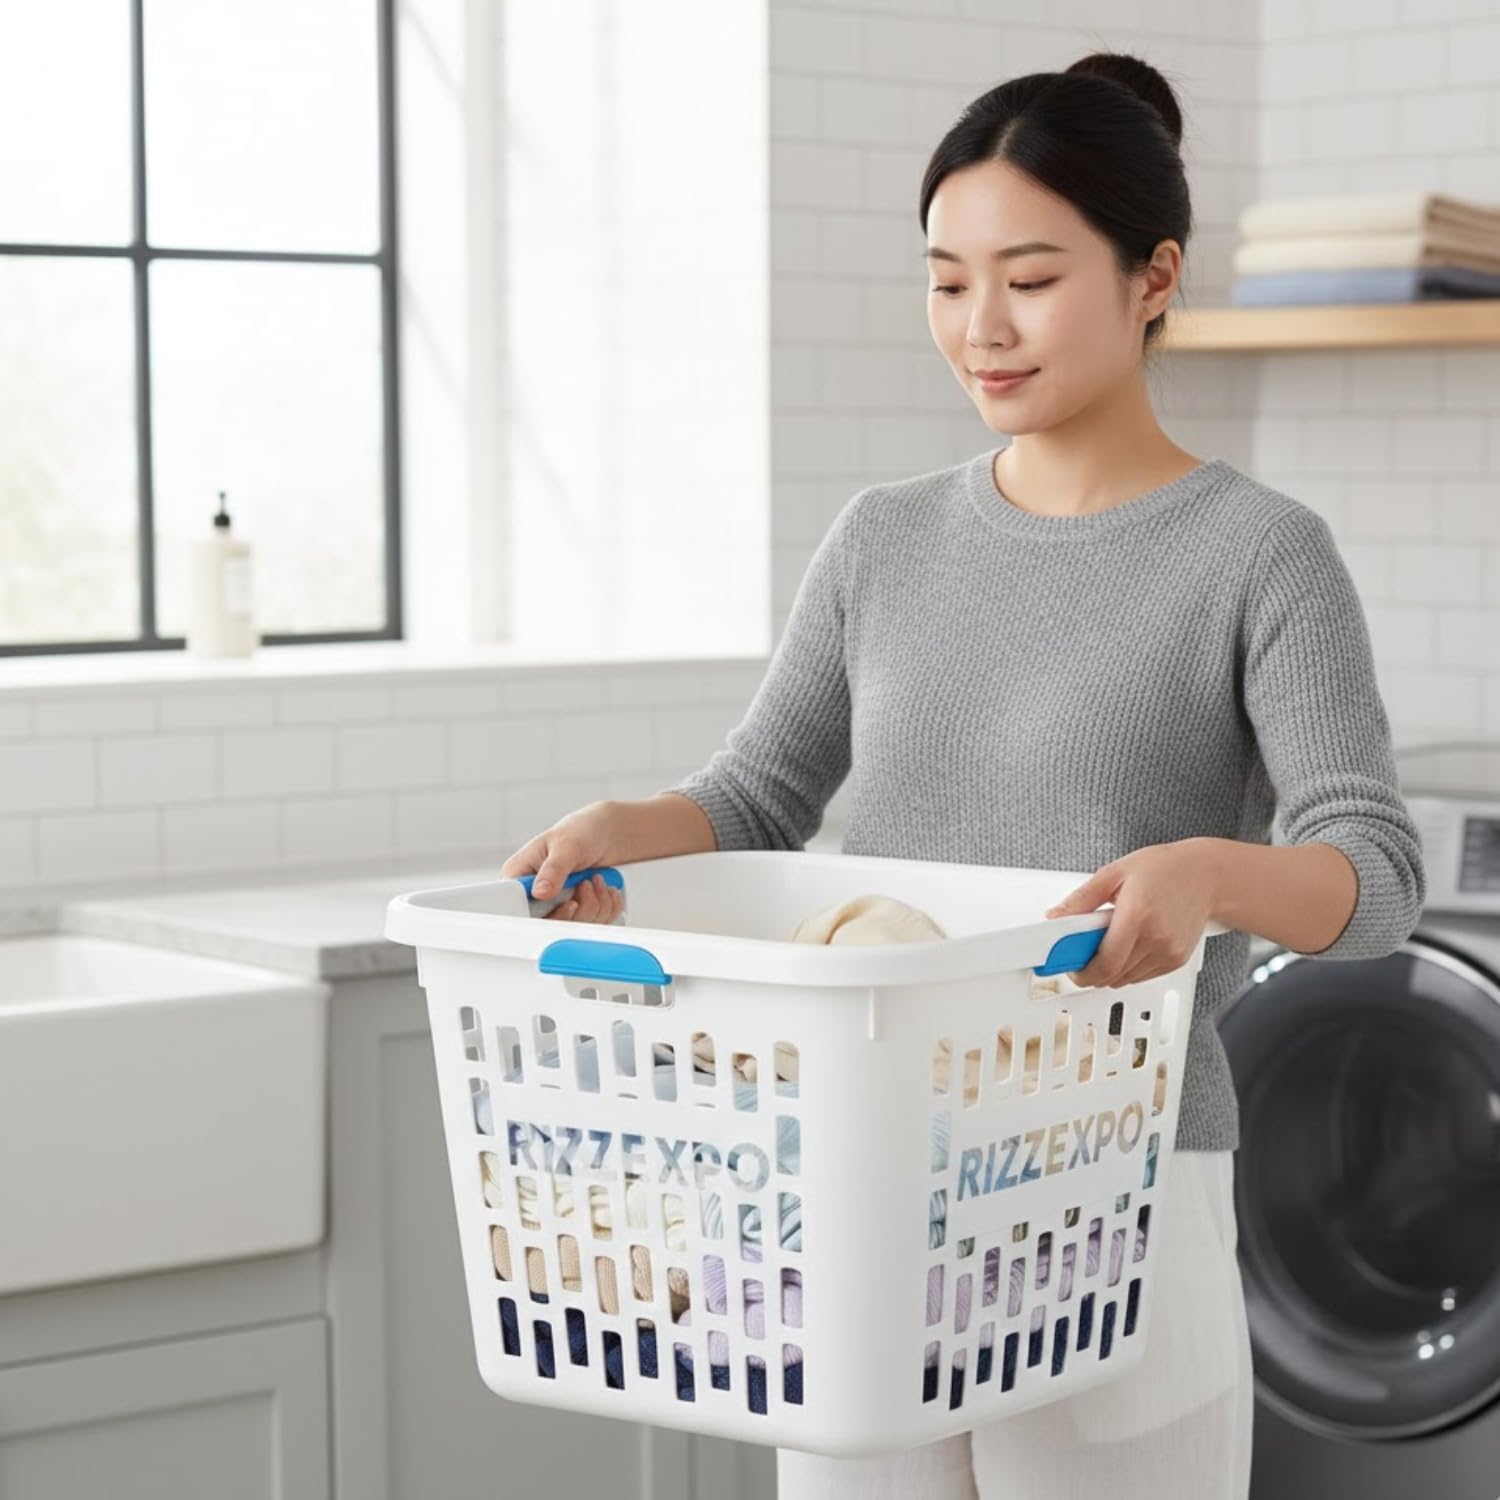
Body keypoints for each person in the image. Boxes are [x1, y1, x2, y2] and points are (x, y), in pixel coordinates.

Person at [499, 49, 1426, 1500]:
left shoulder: (1260, 555)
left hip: (1109, 1183)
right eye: (946, 279)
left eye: (1031, 277)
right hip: (856, 1180)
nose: (979, 326)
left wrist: (1209, 876)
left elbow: (1373, 875)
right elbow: (757, 799)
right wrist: (636, 825)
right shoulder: (884, 539)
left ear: (1153, 276)